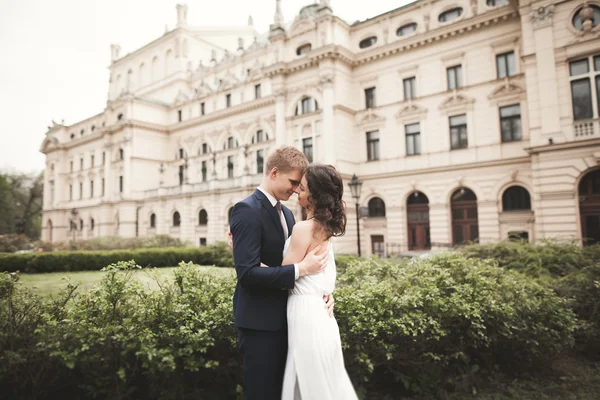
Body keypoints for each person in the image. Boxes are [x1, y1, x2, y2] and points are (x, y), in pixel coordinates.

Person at [229, 146, 334, 400]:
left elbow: (294, 262)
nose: (297, 190)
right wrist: (301, 269)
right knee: (262, 393)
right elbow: (248, 275)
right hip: (260, 325)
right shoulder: (246, 210)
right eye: (294, 182)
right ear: (274, 172)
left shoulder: (288, 214)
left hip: (292, 320)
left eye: (300, 185)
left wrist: (324, 293)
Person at [280, 164, 357, 400]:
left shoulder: (303, 228)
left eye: (302, 188)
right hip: (321, 313)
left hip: (306, 314)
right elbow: (320, 273)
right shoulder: (325, 229)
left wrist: (249, 263)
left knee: (309, 381)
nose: (298, 192)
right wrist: (325, 291)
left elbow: (282, 276)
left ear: (314, 195)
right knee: (321, 379)